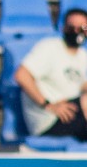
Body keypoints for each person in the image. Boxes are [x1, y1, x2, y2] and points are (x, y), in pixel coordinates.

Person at [14, 8, 87, 141]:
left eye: (82, 28)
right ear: (63, 28)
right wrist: (48, 105)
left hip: (75, 117)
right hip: (50, 120)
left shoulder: (82, 56)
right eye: (71, 28)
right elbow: (21, 75)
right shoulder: (50, 48)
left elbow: (80, 85)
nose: (77, 32)